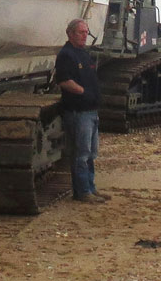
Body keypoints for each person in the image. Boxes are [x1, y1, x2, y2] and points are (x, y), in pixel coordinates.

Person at [55, 19, 110, 204]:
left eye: (86, 32)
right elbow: (63, 80)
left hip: (91, 111)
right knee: (81, 153)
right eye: (80, 32)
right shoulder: (66, 54)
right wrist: (83, 92)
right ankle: (82, 191)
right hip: (78, 111)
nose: (85, 35)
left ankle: (90, 188)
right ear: (70, 34)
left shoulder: (83, 53)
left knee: (91, 153)